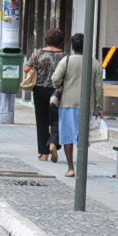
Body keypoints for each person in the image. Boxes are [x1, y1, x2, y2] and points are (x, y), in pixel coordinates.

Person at [51, 33, 92, 177]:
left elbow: (55, 79)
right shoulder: (93, 62)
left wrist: (61, 85)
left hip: (67, 102)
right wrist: (98, 106)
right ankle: (82, 168)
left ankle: (70, 168)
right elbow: (99, 87)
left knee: (68, 136)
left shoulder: (66, 61)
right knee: (82, 137)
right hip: (86, 104)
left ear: (72, 46)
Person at [27, 29, 68, 164]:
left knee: (42, 121)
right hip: (57, 91)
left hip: (39, 90)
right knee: (56, 119)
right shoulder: (65, 56)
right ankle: (53, 143)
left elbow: (26, 68)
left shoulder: (38, 53)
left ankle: (43, 153)